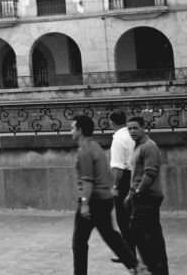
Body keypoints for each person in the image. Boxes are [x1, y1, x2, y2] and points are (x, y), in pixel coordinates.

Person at [70, 115, 139, 275]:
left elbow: (87, 181)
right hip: (104, 199)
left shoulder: (85, 150)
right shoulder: (95, 147)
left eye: (73, 128)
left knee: (79, 243)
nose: (71, 131)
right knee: (111, 236)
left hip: (93, 201)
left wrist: (85, 204)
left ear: (80, 130)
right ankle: (136, 267)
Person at [125, 116, 169, 275]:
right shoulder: (138, 146)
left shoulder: (149, 147)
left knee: (148, 239)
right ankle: (150, 269)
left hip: (147, 198)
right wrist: (131, 195)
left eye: (135, 128)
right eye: (129, 128)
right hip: (140, 198)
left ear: (144, 128)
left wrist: (136, 193)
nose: (132, 131)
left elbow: (149, 174)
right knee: (145, 237)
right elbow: (136, 175)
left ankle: (152, 269)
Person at [109, 110, 135, 256]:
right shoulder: (131, 135)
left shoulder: (118, 139)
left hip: (124, 179)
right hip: (134, 175)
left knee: (123, 218)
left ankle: (129, 252)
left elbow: (117, 168)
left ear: (111, 122)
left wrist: (114, 186)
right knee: (131, 216)